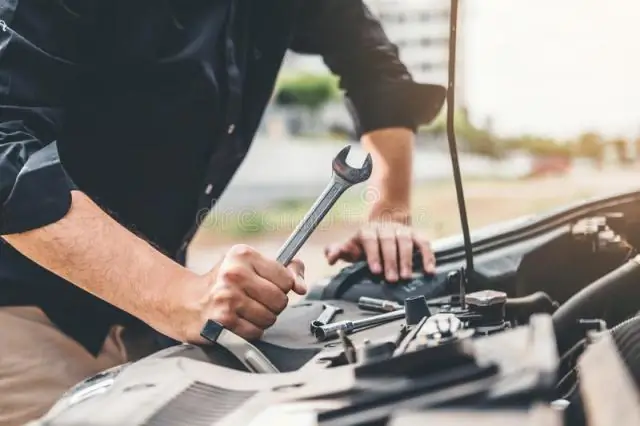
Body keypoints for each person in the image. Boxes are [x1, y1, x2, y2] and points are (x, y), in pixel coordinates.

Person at [0, 1, 445, 424]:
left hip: (154, 320)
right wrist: (175, 294)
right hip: (22, 310)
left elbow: (374, 67)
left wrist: (388, 211)